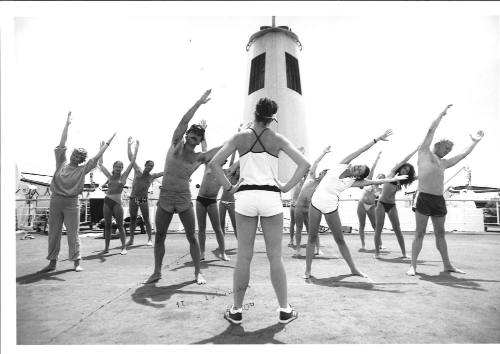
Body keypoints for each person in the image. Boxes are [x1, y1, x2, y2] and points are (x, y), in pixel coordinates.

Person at [209, 97, 310, 325]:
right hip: (270, 197)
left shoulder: (240, 137)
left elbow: (214, 164)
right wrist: (285, 186)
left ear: (255, 113)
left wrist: (229, 187)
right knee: (275, 257)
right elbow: (305, 164)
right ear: (272, 118)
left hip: (245, 197)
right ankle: (284, 310)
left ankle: (236, 310)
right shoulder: (277, 138)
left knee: (244, 256)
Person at [304, 130, 409, 279]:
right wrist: (377, 139)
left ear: (358, 176)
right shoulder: (342, 164)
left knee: (339, 239)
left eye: (359, 170)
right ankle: (307, 271)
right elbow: (360, 150)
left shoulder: (353, 182)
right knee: (311, 237)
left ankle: (354, 269)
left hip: (330, 207)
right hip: (315, 203)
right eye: (358, 166)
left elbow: (374, 182)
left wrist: (392, 179)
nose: (356, 167)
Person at [144, 89, 220, 285]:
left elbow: (219, 150)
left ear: (199, 141)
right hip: (166, 196)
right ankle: (156, 271)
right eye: (192, 136)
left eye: (197, 138)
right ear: (187, 136)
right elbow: (183, 122)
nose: (193, 139)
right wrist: (198, 103)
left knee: (191, 237)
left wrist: (242, 136)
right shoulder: (176, 143)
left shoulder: (198, 157)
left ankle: (197, 273)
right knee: (160, 235)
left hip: (184, 197)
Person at [407, 105, 484, 276]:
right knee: (419, 233)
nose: (448, 151)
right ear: (438, 144)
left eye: (450, 150)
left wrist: (474, 142)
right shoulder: (424, 152)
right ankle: (413, 266)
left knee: (440, 233)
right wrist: (441, 115)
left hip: (438, 200)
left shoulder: (444, 162)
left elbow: (462, 155)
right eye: (446, 148)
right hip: (423, 197)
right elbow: (430, 130)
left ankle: (447, 265)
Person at [41, 111, 115, 272]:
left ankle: (76, 262)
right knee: (53, 232)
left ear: (82, 159)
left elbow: (95, 158)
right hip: (56, 201)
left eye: (79, 155)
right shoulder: (61, 162)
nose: (75, 156)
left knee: (73, 234)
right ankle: (52, 262)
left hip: (72, 203)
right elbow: (62, 143)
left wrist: (107, 144)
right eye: (74, 154)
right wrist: (67, 124)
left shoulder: (83, 170)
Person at [373, 146, 418, 259]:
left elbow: (416, 177)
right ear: (400, 168)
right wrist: (415, 150)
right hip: (381, 204)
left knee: (397, 229)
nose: (404, 171)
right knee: (379, 228)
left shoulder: (401, 181)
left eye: (407, 171)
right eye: (404, 169)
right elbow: (404, 160)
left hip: (392, 205)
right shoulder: (391, 174)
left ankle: (404, 253)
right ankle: (377, 253)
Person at [196, 121, 230, 261]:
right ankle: (202, 253)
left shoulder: (224, 173)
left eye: (224, 159)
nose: (222, 159)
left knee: (217, 228)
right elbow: (205, 148)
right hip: (200, 199)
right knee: (202, 228)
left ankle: (222, 252)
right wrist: (203, 132)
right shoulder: (209, 165)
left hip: (212, 201)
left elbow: (235, 158)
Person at [98, 139, 139, 255]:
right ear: (114, 167)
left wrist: (132, 147)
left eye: (120, 166)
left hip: (117, 202)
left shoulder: (124, 176)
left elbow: (132, 162)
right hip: (107, 201)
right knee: (107, 225)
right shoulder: (110, 176)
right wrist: (101, 149)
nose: (119, 167)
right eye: (117, 166)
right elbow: (100, 164)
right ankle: (106, 248)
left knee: (120, 226)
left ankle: (123, 247)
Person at [293, 145, 332, 257]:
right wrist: (324, 152)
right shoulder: (310, 177)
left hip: (310, 208)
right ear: (320, 173)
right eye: (322, 173)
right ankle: (298, 250)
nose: (322, 175)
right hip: (299, 207)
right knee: (299, 228)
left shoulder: (323, 187)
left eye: (325, 175)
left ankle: (318, 249)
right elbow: (315, 162)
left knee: (312, 229)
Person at [126, 137, 164, 246]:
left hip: (143, 199)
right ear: (145, 165)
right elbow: (130, 157)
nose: (150, 167)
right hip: (133, 198)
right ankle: (131, 239)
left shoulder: (152, 176)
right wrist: (129, 145)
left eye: (152, 166)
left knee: (146, 219)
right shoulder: (138, 171)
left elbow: (164, 172)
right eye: (149, 165)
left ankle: (149, 239)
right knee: (133, 219)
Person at [356, 151, 382, 251]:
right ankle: (363, 245)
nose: (380, 178)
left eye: (382, 178)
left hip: (371, 206)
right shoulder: (370, 181)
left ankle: (380, 244)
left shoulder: (380, 190)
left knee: (375, 225)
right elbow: (373, 168)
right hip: (362, 204)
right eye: (379, 177)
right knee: (362, 225)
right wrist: (377, 158)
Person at [288, 146, 306, 248]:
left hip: (300, 206)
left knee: (299, 224)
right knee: (293, 224)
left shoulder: (305, 182)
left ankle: (293, 241)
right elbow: (299, 167)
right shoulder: (299, 180)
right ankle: (291, 240)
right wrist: (301, 155)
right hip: (295, 205)